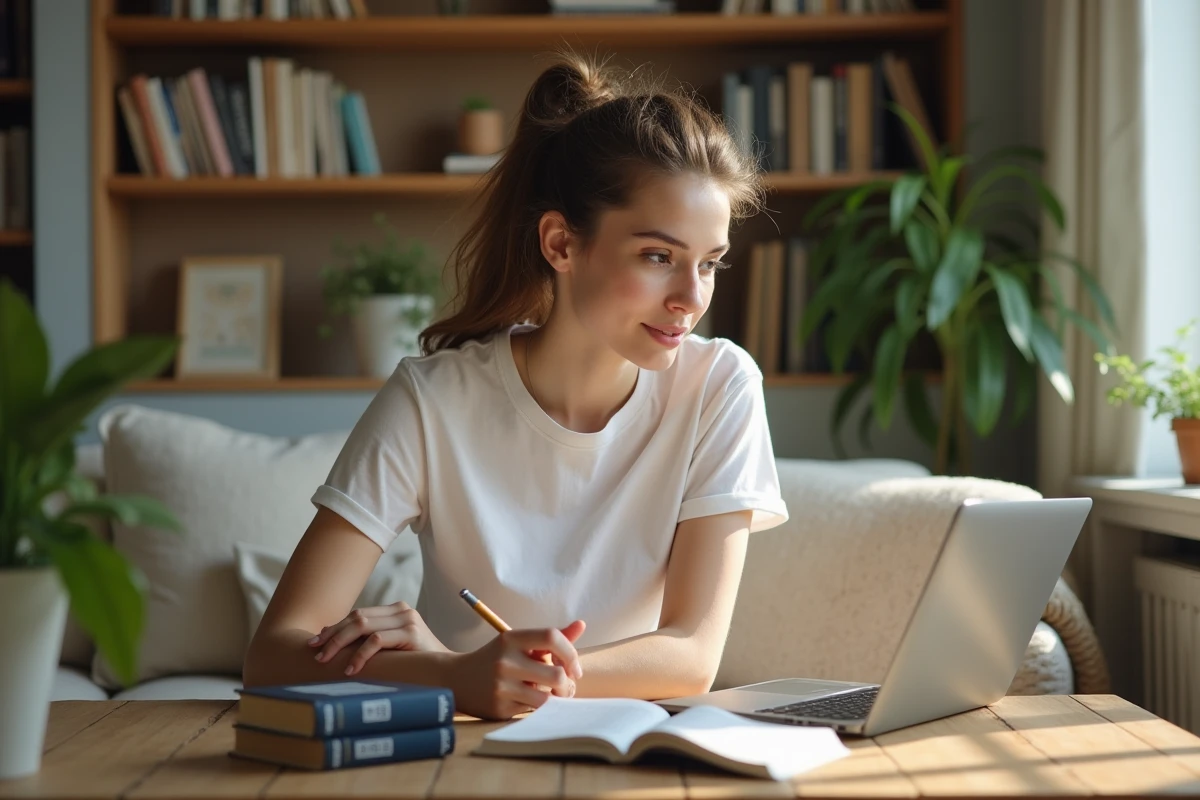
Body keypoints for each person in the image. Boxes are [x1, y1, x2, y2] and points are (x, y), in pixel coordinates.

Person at [242, 49, 789, 721]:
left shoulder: (720, 386)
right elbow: (273, 652)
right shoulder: (431, 401)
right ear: (560, 244)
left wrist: (481, 676)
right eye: (658, 257)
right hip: (463, 753)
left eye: (709, 263)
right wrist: (451, 676)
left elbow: (692, 656)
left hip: (631, 753)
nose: (690, 298)